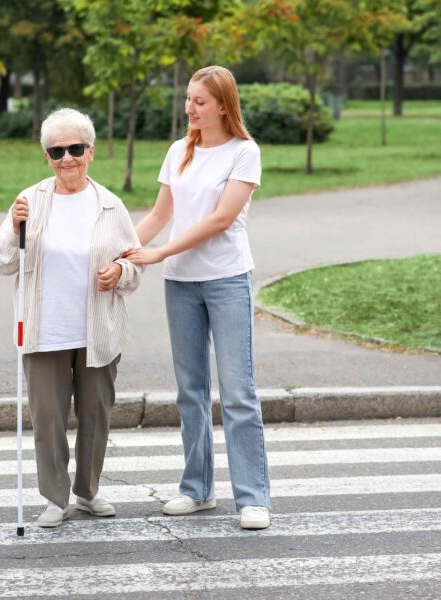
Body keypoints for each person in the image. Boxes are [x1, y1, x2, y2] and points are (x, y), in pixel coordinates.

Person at [124, 65, 271, 530]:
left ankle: (252, 499)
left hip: (226, 279)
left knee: (238, 393)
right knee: (190, 392)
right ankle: (197, 489)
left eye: (199, 101)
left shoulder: (243, 152)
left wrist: (160, 252)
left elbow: (221, 219)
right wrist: (118, 250)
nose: (189, 108)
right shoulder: (178, 151)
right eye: (188, 99)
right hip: (181, 283)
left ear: (223, 106)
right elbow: (158, 216)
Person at [0, 108, 142, 528]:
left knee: (95, 415)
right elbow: (0, 262)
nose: (66, 158)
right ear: (47, 157)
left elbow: (135, 266)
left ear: (91, 151)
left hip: (98, 330)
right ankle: (55, 498)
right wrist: (14, 228)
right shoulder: (29, 201)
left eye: (75, 148)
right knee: (48, 419)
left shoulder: (110, 205)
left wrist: (121, 271)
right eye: (57, 151)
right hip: (44, 329)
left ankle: (87, 493)